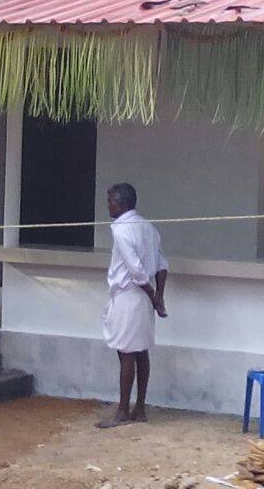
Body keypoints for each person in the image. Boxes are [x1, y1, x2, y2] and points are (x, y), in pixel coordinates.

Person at [96, 183, 168, 429]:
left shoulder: (123, 230)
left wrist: (154, 295)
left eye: (111, 201)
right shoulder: (148, 228)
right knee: (141, 351)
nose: (109, 206)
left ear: (122, 203)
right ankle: (139, 408)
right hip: (143, 298)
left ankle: (123, 411)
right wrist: (158, 296)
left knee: (126, 351)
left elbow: (136, 269)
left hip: (130, 294)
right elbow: (162, 264)